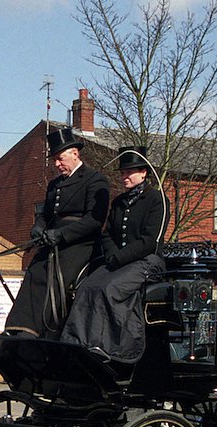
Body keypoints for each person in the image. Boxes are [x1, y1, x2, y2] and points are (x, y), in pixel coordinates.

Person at [61, 146, 169, 363]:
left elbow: (149, 241)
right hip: (118, 262)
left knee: (109, 289)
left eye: (129, 172)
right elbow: (108, 233)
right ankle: (75, 343)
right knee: (87, 287)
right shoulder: (119, 203)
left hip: (147, 262)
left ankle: (108, 347)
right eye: (122, 173)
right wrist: (112, 256)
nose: (124, 177)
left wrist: (119, 258)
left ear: (143, 173)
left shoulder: (157, 200)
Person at [4, 127, 110, 338]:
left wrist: (63, 235)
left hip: (81, 242)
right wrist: (38, 227)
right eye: (54, 159)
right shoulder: (54, 184)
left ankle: (46, 329)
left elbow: (94, 220)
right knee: (35, 270)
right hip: (53, 237)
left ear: (74, 154)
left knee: (55, 273)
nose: (57, 164)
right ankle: (19, 327)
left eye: (60, 158)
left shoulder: (94, 180)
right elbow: (46, 213)